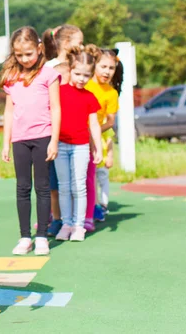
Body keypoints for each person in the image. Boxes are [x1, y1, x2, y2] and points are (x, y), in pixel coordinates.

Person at [0, 27, 60, 256]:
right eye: (19, 55)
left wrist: (54, 139)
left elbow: (56, 108)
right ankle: (25, 236)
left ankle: (42, 235)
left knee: (43, 187)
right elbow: (8, 111)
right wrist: (6, 142)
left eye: (29, 54)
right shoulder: (12, 78)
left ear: (39, 49)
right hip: (20, 140)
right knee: (22, 188)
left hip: (43, 137)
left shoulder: (49, 74)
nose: (24, 59)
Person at [54, 46, 102, 242]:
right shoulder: (59, 91)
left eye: (86, 75)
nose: (82, 78)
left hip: (81, 147)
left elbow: (95, 124)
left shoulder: (90, 97)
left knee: (79, 186)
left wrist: (97, 148)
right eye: (78, 74)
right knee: (64, 186)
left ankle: (79, 225)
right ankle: (66, 224)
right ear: (70, 70)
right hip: (61, 146)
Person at [41, 25, 84, 237]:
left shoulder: (78, 66)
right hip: (53, 133)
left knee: (76, 181)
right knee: (54, 183)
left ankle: (77, 219)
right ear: (66, 43)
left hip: (75, 134)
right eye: (79, 41)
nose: (82, 46)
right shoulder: (49, 67)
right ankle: (56, 218)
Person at [85, 47, 123, 223]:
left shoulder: (111, 93)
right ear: (94, 65)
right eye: (103, 66)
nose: (107, 71)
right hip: (73, 136)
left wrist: (93, 132)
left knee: (93, 175)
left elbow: (110, 122)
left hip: (94, 138)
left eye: (111, 68)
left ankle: (93, 208)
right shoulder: (84, 83)